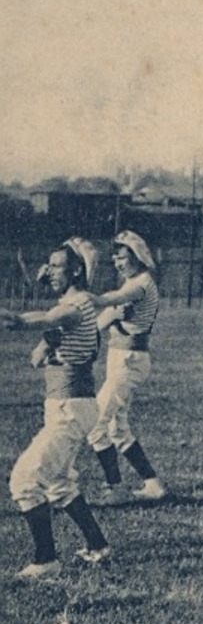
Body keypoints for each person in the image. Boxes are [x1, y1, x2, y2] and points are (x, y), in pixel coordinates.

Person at [1, 239, 113, 579]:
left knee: (24, 480)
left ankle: (46, 559)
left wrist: (19, 319)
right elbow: (39, 353)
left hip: (70, 407)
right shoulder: (73, 300)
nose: (48, 270)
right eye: (47, 265)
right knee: (59, 483)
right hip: (70, 405)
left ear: (76, 270)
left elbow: (44, 318)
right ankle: (97, 545)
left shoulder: (76, 305)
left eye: (56, 265)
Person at [85, 230, 166, 500]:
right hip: (120, 360)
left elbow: (110, 302)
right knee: (116, 429)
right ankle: (153, 485)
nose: (118, 263)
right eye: (115, 259)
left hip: (129, 361)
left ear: (138, 257)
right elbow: (100, 322)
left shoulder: (140, 284)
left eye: (122, 257)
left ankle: (115, 488)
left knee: (95, 425)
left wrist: (85, 297)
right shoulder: (131, 284)